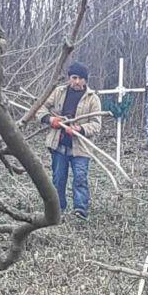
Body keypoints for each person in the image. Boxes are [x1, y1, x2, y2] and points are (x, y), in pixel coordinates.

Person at [38, 62, 102, 219]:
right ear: (69, 78)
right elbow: (40, 107)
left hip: (81, 148)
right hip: (59, 144)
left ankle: (80, 210)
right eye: (74, 78)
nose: (77, 82)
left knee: (80, 178)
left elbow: (96, 124)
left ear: (86, 80)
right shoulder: (58, 92)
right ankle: (58, 209)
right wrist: (50, 119)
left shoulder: (92, 99)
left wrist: (79, 129)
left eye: (81, 79)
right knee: (58, 178)